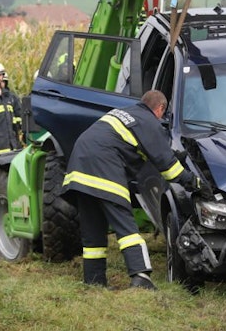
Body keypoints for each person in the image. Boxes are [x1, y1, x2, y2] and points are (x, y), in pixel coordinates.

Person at [64, 90, 205, 289]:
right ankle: (141, 278)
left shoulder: (125, 114)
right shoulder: (149, 121)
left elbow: (146, 149)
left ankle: (94, 283)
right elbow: (170, 170)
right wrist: (193, 182)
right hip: (104, 170)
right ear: (160, 109)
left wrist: (173, 155)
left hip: (78, 170)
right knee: (126, 227)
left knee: (93, 231)